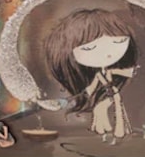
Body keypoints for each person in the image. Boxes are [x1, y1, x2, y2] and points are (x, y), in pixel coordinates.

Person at [45, 8, 138, 143]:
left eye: (118, 42)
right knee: (101, 109)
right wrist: (87, 92)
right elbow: (93, 85)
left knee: (113, 109)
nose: (107, 54)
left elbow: (125, 72)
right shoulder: (99, 74)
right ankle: (105, 131)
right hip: (106, 94)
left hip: (113, 93)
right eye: (89, 48)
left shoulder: (111, 71)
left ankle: (119, 131)